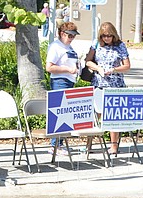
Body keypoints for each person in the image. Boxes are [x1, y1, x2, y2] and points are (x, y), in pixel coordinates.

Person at [84, 22, 131, 156]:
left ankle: (114, 145)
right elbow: (88, 61)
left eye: (109, 36)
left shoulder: (120, 46)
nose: (106, 38)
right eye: (104, 36)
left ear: (113, 35)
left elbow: (127, 66)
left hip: (115, 84)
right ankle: (89, 145)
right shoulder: (96, 43)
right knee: (95, 114)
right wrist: (98, 68)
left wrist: (114, 69)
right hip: (98, 83)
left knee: (112, 116)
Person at [45, 21, 80, 155]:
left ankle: (59, 143)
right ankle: (55, 145)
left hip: (69, 81)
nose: (72, 38)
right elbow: (49, 67)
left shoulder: (68, 47)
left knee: (65, 113)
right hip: (60, 81)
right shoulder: (56, 46)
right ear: (62, 34)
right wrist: (67, 69)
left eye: (74, 36)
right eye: (70, 36)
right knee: (59, 112)